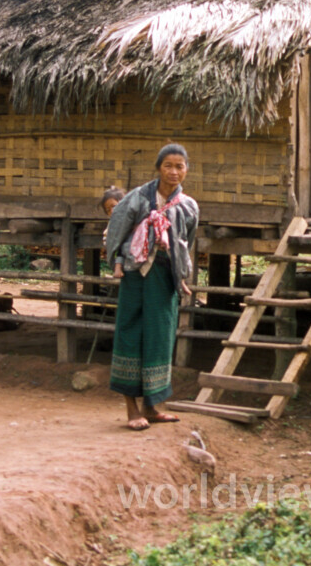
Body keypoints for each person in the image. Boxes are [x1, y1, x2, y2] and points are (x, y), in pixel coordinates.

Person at [104, 146, 199, 431]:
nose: (173, 171)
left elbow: (186, 241)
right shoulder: (136, 199)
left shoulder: (188, 206)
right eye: (168, 165)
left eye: (179, 166)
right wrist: (119, 260)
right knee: (131, 334)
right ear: (159, 167)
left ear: (186, 170)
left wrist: (181, 273)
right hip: (135, 275)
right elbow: (118, 229)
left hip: (164, 276)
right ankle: (131, 409)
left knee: (160, 336)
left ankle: (152, 406)